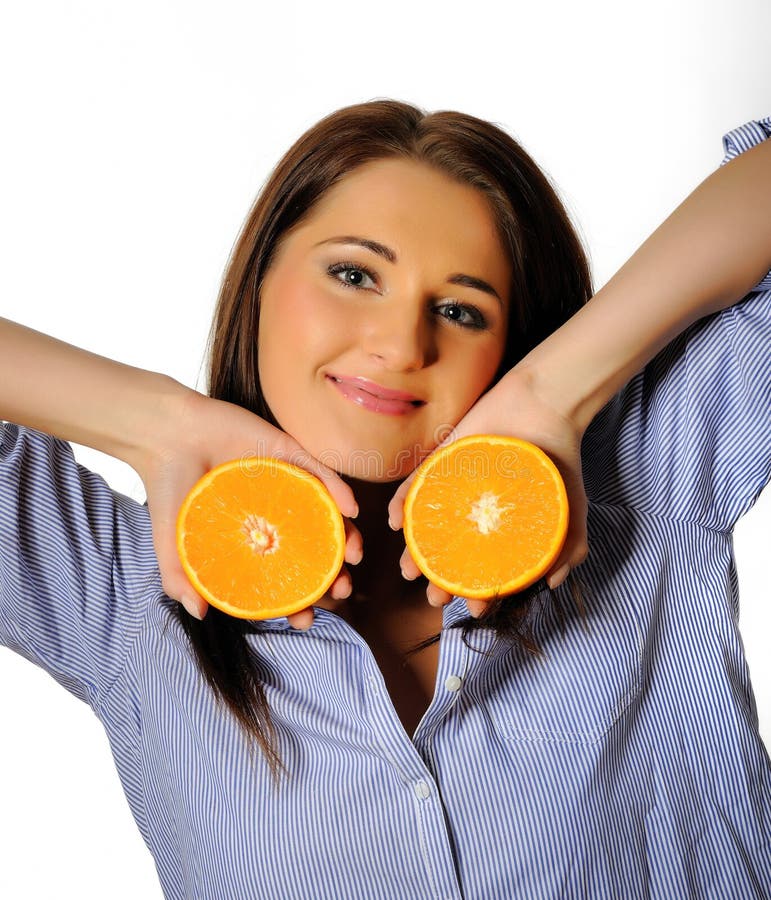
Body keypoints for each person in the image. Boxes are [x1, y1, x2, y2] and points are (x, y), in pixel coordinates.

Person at [1, 99, 769, 898]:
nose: (402, 345)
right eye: (353, 274)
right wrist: (153, 422)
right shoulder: (121, 592)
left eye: (460, 310)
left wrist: (556, 388)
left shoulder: (650, 476)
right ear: (258, 281)